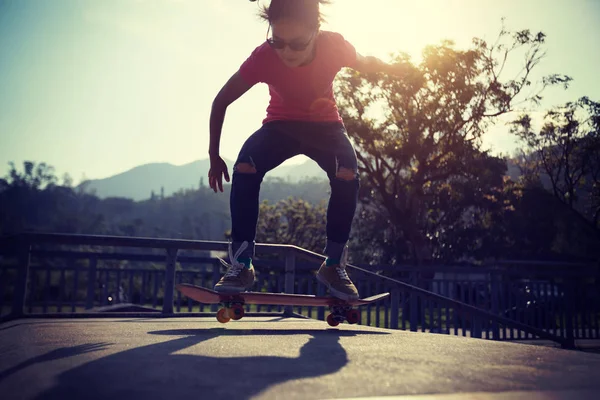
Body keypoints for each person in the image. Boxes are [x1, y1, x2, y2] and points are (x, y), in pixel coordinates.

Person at [208, 0, 399, 300]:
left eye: (297, 44)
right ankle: (242, 263)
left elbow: (366, 61)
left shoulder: (334, 46)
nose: (286, 52)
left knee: (346, 171)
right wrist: (213, 155)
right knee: (245, 165)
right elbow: (221, 100)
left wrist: (396, 68)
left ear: (316, 30)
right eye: (278, 41)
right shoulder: (263, 57)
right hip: (280, 126)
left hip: (326, 128)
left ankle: (334, 265)